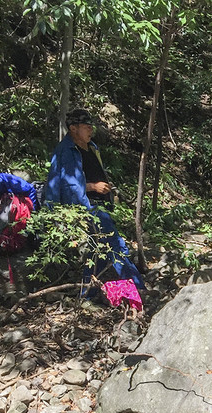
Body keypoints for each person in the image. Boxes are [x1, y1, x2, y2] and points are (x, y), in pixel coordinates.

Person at [44, 107, 144, 291]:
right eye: (86, 126)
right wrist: (92, 187)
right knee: (116, 246)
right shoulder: (66, 151)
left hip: (101, 204)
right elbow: (67, 186)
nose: (91, 129)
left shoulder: (91, 147)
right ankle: (139, 289)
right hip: (86, 207)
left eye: (91, 126)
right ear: (73, 128)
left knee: (96, 253)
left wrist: (106, 188)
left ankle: (86, 294)